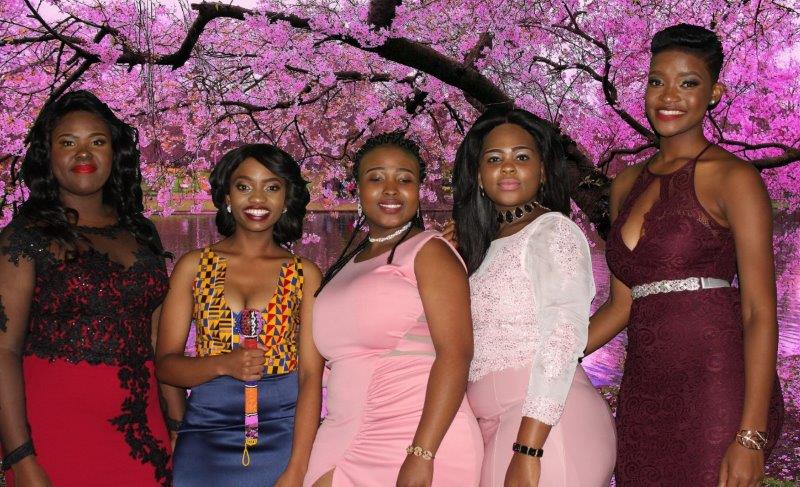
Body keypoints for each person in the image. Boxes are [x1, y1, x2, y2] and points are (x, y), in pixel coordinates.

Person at [585, 24, 784, 486]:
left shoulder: (734, 178)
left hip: (716, 386)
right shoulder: (625, 184)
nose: (669, 96)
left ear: (714, 93)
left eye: (688, 82)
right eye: (657, 81)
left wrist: (750, 435)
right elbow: (621, 304)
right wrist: (549, 355)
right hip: (642, 389)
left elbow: (759, 312)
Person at [0, 90, 178, 485]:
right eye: (68, 142)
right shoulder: (24, 238)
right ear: (47, 156)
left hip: (144, 432)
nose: (84, 154)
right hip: (55, 436)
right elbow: (3, 351)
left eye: (97, 141)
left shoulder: (141, 232)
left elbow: (157, 339)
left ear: (115, 152)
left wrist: (179, 426)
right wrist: (21, 459)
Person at [300, 132, 482, 486]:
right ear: (357, 188)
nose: (391, 189)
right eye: (376, 178)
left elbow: (456, 354)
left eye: (404, 179)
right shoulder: (344, 267)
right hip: (339, 434)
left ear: (419, 190)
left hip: (415, 439)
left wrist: (422, 454)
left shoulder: (430, 252)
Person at [446, 108, 616, 486]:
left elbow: (562, 336)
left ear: (542, 172)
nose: (508, 167)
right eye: (494, 159)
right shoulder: (484, 247)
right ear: (479, 175)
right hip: (495, 424)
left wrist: (528, 448)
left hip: (545, 426)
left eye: (521, 157)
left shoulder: (553, 231)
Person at [155, 144, 322, 486]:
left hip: (283, 435)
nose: (257, 198)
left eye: (271, 187)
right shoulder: (194, 267)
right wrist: (222, 364)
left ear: (287, 198)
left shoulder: (304, 274)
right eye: (244, 186)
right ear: (227, 196)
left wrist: (298, 468)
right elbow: (166, 366)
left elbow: (310, 377)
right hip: (204, 435)